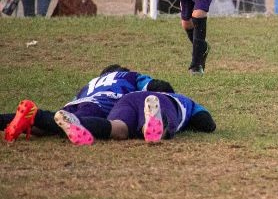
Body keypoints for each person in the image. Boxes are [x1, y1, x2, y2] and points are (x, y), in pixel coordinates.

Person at [2, 65, 174, 143]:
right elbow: (158, 87)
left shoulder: (91, 82)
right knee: (67, 125)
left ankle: (8, 120)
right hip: (100, 104)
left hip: (76, 103)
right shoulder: (130, 76)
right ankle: (35, 114)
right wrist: (171, 100)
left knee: (46, 129)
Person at [53, 91, 215, 145]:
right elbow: (207, 123)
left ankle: (79, 123)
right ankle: (152, 125)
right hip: (166, 102)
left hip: (128, 98)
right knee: (158, 127)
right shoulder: (183, 99)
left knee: (118, 127)